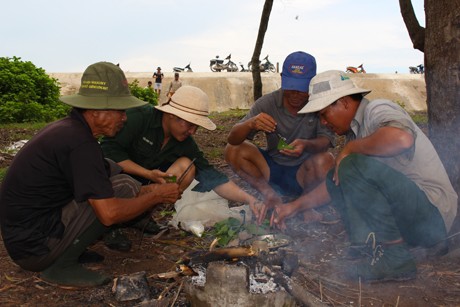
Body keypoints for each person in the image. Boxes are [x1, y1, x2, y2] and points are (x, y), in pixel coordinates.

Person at [0, 62, 182, 288]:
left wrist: (150, 187)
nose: (125, 118)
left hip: (28, 237)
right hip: (35, 248)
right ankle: (60, 265)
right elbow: (109, 214)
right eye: (120, 111)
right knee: (118, 194)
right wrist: (155, 197)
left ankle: (70, 250)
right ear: (96, 112)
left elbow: (107, 169)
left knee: (124, 184)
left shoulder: (70, 131)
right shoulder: (80, 143)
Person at [274, 70, 458, 282]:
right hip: (412, 217)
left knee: (351, 164)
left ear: (343, 102)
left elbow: (401, 138)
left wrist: (351, 149)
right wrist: (294, 207)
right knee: (337, 175)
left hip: (433, 216)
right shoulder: (355, 131)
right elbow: (335, 182)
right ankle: (369, 247)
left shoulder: (377, 109)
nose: (323, 122)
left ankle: (395, 258)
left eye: (323, 114)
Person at [100, 85, 260, 226]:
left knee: (186, 166)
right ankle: (114, 225)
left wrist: (250, 199)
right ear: (171, 115)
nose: (192, 132)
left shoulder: (186, 143)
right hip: (116, 183)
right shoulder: (139, 117)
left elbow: (213, 177)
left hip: (147, 187)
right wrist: (148, 174)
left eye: (196, 127)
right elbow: (109, 152)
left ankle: (142, 213)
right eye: (190, 125)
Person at [224, 51, 336, 225]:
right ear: (283, 80)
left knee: (327, 160)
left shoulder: (319, 103)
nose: (295, 94)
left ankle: (305, 204)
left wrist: (305, 145)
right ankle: (270, 195)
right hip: (272, 170)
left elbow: (326, 141)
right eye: (291, 87)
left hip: (304, 173)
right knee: (234, 150)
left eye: (302, 89)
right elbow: (233, 140)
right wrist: (251, 124)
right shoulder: (268, 103)